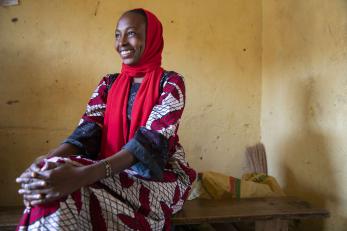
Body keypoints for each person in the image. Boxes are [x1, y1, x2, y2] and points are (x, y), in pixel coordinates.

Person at [16, 8, 196, 231]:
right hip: (109, 170)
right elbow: (86, 132)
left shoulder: (170, 83)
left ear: (151, 38)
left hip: (160, 178)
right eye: (117, 35)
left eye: (131, 33)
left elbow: (148, 143)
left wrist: (83, 175)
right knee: (53, 176)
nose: (122, 43)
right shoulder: (108, 83)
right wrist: (46, 160)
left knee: (65, 189)